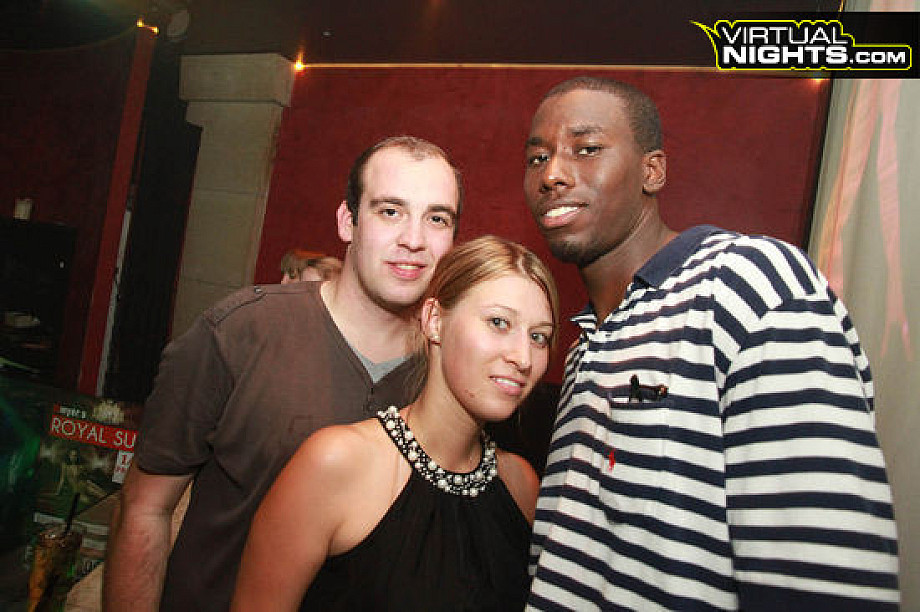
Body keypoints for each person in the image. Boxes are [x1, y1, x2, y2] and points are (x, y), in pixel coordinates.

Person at [522, 76, 899, 611]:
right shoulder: (586, 343)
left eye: (586, 149)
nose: (552, 175)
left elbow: (826, 579)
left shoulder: (747, 284)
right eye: (537, 158)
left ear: (652, 171)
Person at [103, 135, 463, 612]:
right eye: (390, 211)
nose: (413, 240)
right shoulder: (240, 332)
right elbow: (145, 507)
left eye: (437, 218)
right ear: (348, 221)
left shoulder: (455, 371)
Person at [231, 235, 559, 611]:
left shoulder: (521, 484)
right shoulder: (336, 463)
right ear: (435, 321)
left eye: (539, 337)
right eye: (499, 322)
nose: (523, 357)